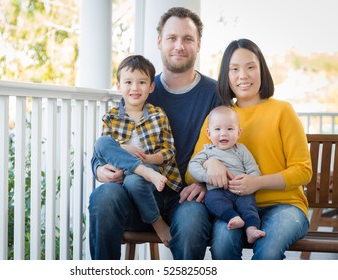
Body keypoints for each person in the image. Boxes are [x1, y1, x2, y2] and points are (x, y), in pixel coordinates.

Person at [89, 7, 220, 260]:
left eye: (187, 39)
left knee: (193, 224)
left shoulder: (214, 93)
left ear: (199, 44)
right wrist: (99, 170)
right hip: (135, 194)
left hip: (186, 196)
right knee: (103, 197)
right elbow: (107, 143)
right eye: (172, 38)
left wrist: (206, 182)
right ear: (160, 42)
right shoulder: (141, 88)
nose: (179, 46)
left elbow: (229, 144)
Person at [187, 38, 312, 260]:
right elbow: (191, 173)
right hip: (234, 208)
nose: (242, 75)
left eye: (250, 67)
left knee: (268, 250)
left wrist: (256, 183)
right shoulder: (219, 117)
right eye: (234, 69)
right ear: (226, 75)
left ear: (261, 70)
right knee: (223, 245)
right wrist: (210, 162)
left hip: (285, 206)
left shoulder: (283, 111)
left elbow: (303, 171)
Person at [93, 54, 183, 246]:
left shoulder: (158, 115)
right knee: (102, 142)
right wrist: (124, 149)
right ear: (119, 86)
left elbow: (168, 151)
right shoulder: (111, 117)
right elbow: (105, 152)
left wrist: (148, 159)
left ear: (151, 86)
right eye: (128, 82)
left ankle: (158, 222)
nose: (135, 88)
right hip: (122, 173)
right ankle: (141, 171)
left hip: (150, 173)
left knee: (135, 180)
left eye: (142, 82)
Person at [188, 105, 265, 244]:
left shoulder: (241, 150)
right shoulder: (207, 151)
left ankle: (251, 229)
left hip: (241, 191)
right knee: (211, 199)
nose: (223, 134)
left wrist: (250, 180)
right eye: (217, 129)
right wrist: (207, 177)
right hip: (218, 191)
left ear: (239, 132)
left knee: (249, 206)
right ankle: (232, 217)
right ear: (209, 133)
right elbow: (193, 166)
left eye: (230, 129)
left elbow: (252, 168)